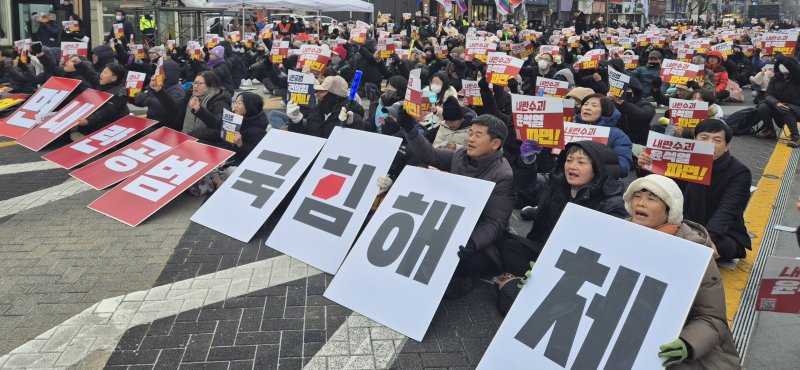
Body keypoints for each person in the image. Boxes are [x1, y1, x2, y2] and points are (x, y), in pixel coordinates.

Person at [623, 175, 741, 369]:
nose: (641, 203)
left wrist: (687, 343)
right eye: (637, 196)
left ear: (670, 211)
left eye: (651, 199)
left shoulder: (692, 250)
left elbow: (712, 318)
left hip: (677, 352)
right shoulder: (617, 235)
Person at [394, 107, 515, 298]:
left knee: (462, 259)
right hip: (451, 222)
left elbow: (494, 222)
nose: (470, 139)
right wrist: (411, 130)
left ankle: (469, 277)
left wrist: (472, 242)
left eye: (478, 135)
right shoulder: (460, 155)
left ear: (495, 143)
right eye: (470, 133)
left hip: (477, 235)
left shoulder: (503, 175)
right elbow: (429, 155)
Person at [502, 141, 627, 276]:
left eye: (581, 162)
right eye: (569, 160)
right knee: (503, 241)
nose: (572, 166)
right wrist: (527, 163)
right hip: (543, 247)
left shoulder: (612, 202)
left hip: (575, 265)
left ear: (598, 169)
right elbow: (529, 188)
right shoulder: (557, 182)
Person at [638, 119, 752, 261]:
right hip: (678, 223)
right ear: (694, 140)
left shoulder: (739, 172)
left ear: (727, 146)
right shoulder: (679, 159)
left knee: (723, 246)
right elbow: (659, 187)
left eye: (717, 140)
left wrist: (707, 239)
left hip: (718, 232)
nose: (710, 144)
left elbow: (728, 209)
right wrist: (646, 166)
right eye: (704, 138)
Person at [154, 70, 232, 140]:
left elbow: (222, 127)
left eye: (199, 83)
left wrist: (199, 110)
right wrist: (159, 91)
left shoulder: (220, 101)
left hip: (205, 144)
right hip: (184, 137)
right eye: (194, 82)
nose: (195, 86)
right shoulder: (190, 95)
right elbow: (174, 109)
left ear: (211, 86)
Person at [285, 75, 366, 138]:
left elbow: (356, 145)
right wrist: (296, 121)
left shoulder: (352, 116)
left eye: (322, 91)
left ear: (334, 95)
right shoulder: (317, 111)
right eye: (317, 91)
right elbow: (305, 138)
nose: (317, 94)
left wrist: (350, 125)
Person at [574, 94, 634, 176]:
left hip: (600, 184)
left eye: (594, 105)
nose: (587, 108)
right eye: (585, 104)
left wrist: (593, 167)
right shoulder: (569, 129)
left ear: (604, 110)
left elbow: (623, 168)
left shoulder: (617, 135)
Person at [69, 62, 130, 141]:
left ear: (113, 78)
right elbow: (90, 75)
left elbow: (105, 111)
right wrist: (79, 64)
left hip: (115, 121)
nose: (101, 74)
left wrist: (88, 121)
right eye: (102, 72)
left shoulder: (120, 93)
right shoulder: (103, 82)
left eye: (105, 73)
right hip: (100, 117)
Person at [755, 52, 800, 147]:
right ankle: (770, 130)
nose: (783, 66)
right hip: (779, 106)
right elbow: (768, 95)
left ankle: (796, 137)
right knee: (763, 106)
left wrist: (785, 60)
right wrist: (776, 103)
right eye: (781, 64)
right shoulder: (776, 78)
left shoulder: (797, 77)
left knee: (787, 108)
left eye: (785, 64)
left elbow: (795, 69)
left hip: (796, 108)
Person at [134, 58, 184, 129]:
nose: (156, 74)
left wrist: (147, 99)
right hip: (152, 123)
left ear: (168, 73)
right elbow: (141, 102)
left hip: (165, 128)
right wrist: (130, 96)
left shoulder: (177, 90)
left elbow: (170, 110)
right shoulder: (158, 85)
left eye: (160, 71)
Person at [606, 76, 655, 145]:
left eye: (628, 89)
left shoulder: (645, 104)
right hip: (616, 141)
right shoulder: (611, 103)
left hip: (640, 142)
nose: (624, 92)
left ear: (635, 91)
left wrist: (623, 103)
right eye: (621, 90)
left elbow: (644, 117)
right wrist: (606, 101)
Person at [226, 92, 268, 166]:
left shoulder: (258, 131)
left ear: (249, 106)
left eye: (239, 103)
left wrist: (240, 144)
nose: (235, 106)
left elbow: (254, 158)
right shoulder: (236, 119)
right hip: (228, 155)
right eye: (235, 102)